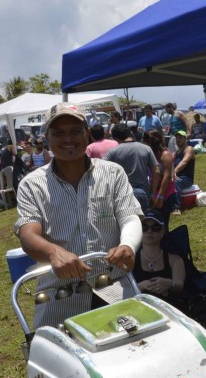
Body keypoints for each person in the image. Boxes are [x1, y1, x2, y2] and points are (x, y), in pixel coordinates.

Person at [14, 103, 143, 327]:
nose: (68, 139)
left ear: (87, 134)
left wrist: (128, 245)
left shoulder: (113, 173)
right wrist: (53, 252)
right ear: (47, 137)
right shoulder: (31, 185)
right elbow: (28, 235)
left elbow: (129, 216)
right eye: (59, 133)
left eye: (75, 131)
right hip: (59, 294)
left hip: (114, 285)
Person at [104, 123, 161, 214]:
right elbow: (157, 172)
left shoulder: (112, 152)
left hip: (121, 194)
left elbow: (101, 171)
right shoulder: (146, 149)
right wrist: (152, 194)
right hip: (142, 193)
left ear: (116, 139)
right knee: (144, 225)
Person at [133, 210, 185, 302]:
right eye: (144, 227)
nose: (149, 231)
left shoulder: (175, 260)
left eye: (155, 227)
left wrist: (169, 284)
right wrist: (141, 286)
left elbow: (180, 286)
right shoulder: (131, 260)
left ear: (162, 231)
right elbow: (123, 292)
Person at [144, 129, 178, 224]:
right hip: (154, 192)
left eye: (148, 140)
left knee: (163, 223)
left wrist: (160, 197)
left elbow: (167, 177)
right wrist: (151, 194)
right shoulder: (151, 155)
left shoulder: (166, 155)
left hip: (166, 193)